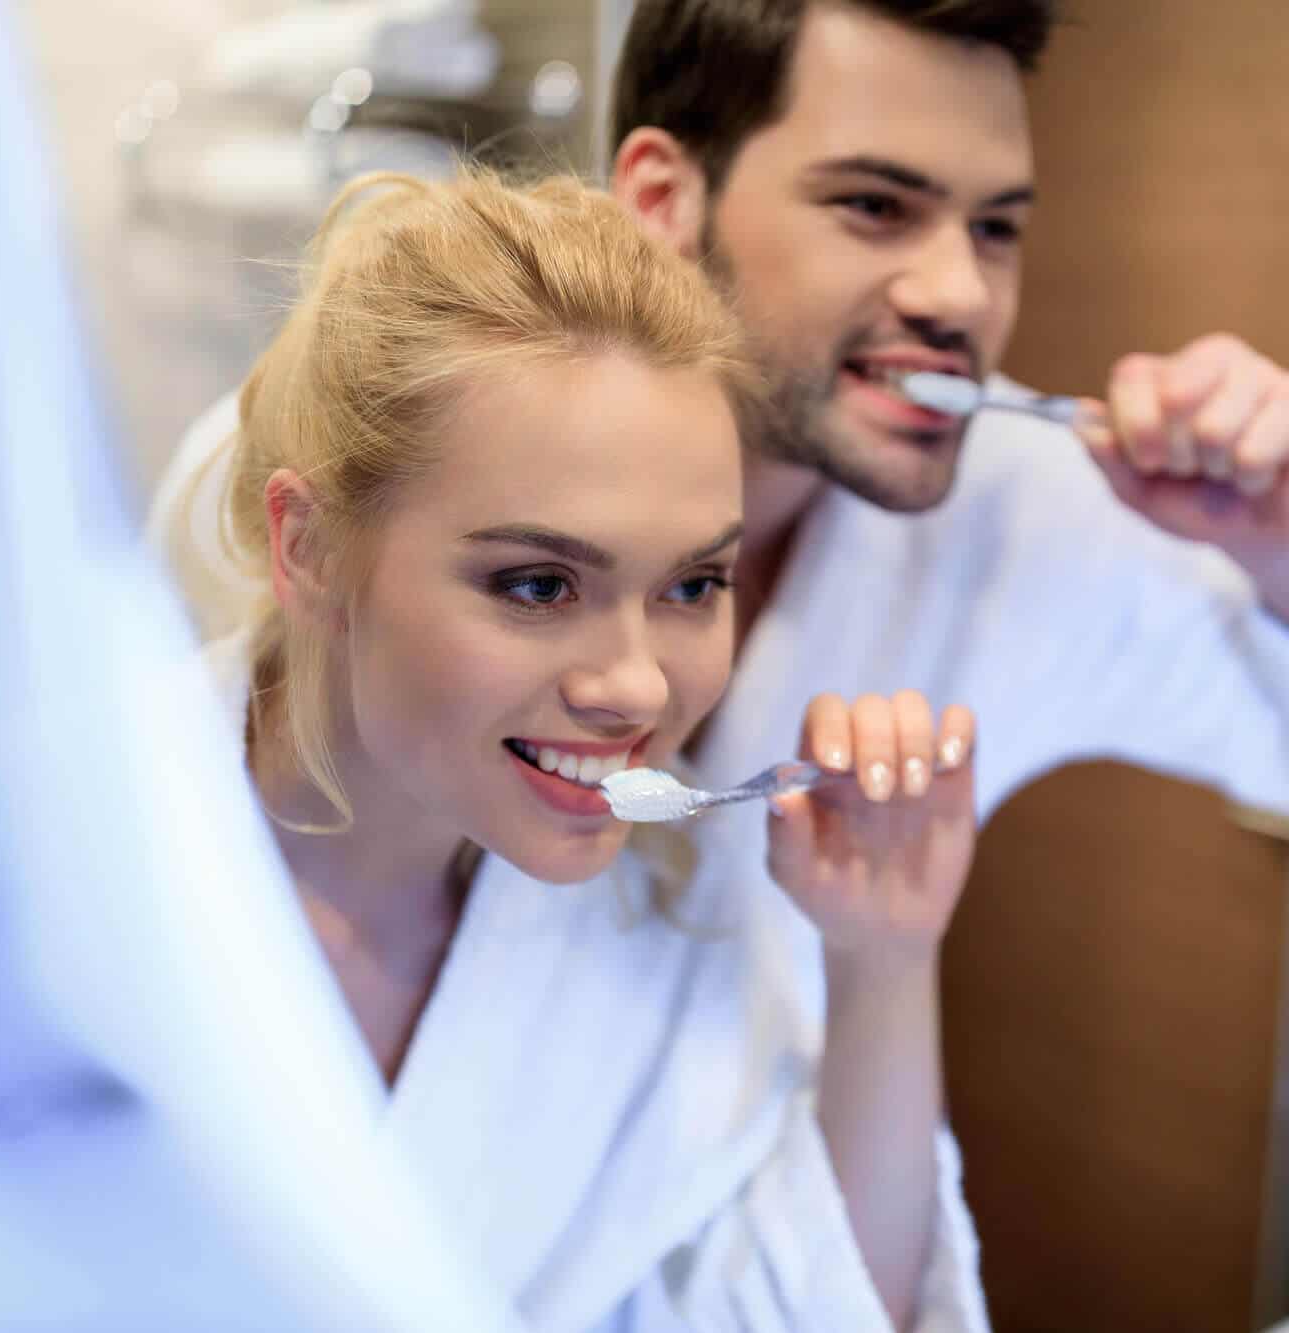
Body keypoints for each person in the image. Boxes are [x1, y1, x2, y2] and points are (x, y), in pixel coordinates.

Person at [184, 166, 995, 1330]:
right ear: (309, 546)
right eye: (536, 583)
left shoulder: (656, 935)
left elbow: (799, 1310)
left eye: (691, 585)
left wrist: (882, 960)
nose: (638, 686)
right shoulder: (8, 876)